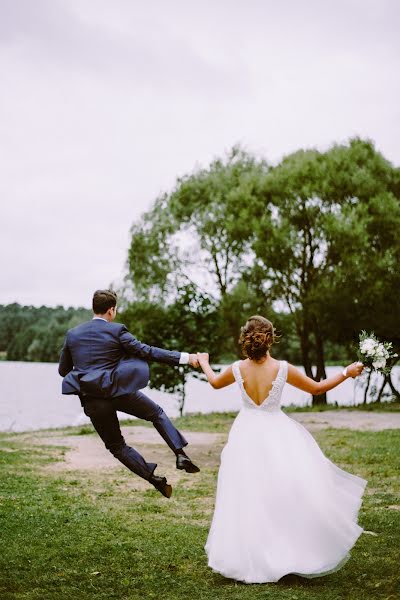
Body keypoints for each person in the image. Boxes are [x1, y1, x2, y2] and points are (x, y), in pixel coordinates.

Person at [197, 315, 366, 583]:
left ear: (246, 339)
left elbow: (215, 383)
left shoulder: (237, 368)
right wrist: (346, 372)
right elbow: (317, 387)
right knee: (282, 490)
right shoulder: (283, 368)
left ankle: (250, 555)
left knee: (247, 494)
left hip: (245, 433)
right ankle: (283, 551)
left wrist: (205, 362)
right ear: (270, 339)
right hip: (277, 432)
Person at [59, 289, 200, 499]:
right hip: (119, 391)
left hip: (93, 400)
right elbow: (148, 351)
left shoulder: (73, 334)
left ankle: (155, 480)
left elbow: (63, 370)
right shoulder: (117, 331)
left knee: (117, 446)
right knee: (156, 413)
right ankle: (180, 454)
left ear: (93, 308)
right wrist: (185, 358)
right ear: (111, 310)